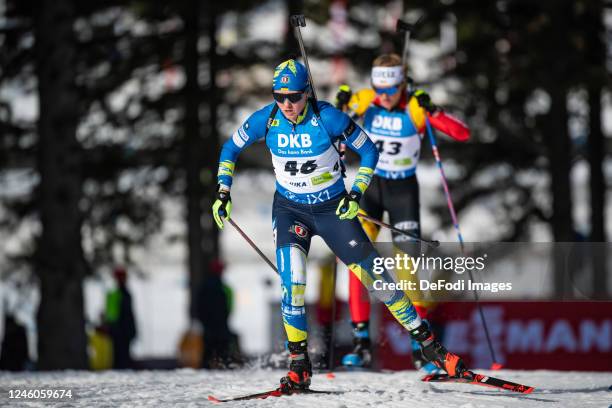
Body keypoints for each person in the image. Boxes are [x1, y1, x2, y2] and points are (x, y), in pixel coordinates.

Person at [212, 58, 468, 392]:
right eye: (279, 96)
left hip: (332, 209)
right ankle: (299, 366)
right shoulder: (267, 118)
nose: (286, 104)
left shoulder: (328, 117)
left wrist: (356, 192)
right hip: (291, 211)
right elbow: (230, 148)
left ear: (307, 93)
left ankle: (430, 346)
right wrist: (223, 190)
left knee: (378, 279)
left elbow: (369, 152)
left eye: (293, 96)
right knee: (295, 282)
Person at [336, 53, 470, 371]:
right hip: (369, 189)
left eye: (390, 90)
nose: (383, 96)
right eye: (378, 89)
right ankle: (361, 343)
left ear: (402, 83)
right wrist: (339, 100)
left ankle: (419, 348)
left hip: (402, 191)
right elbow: (334, 114)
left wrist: (433, 110)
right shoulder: (367, 100)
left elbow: (462, 133)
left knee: (406, 269)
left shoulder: (414, 107)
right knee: (356, 261)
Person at [105, 266, 137, 369]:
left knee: (121, 358)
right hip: (119, 331)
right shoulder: (118, 294)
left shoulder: (118, 294)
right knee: (120, 359)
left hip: (120, 331)